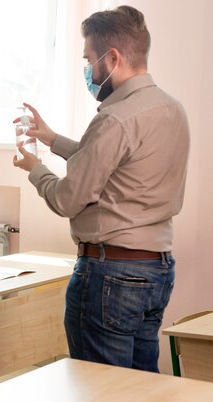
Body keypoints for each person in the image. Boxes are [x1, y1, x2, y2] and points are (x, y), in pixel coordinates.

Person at [13, 5, 189, 372]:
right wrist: (52, 139)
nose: (87, 71)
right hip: (156, 269)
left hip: (111, 275)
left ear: (112, 58)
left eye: (88, 60)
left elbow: (67, 198)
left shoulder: (114, 118)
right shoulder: (172, 109)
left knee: (100, 386)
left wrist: (35, 168)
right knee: (140, 387)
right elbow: (114, 166)